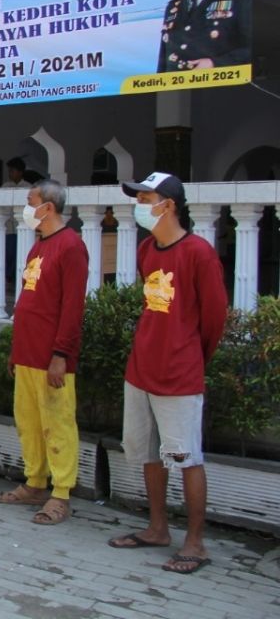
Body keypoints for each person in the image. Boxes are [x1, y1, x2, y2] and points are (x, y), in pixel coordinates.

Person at [107, 172, 227, 576]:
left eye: (145, 197)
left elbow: (213, 320)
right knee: (146, 453)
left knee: (186, 457)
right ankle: (158, 528)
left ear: (168, 205)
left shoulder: (199, 253)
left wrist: (190, 357)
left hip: (179, 375)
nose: (139, 204)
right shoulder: (147, 249)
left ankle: (196, 542)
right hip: (141, 369)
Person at [0, 179, 87, 525]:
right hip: (28, 352)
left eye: (31, 201)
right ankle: (35, 481)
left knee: (57, 424)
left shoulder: (71, 246)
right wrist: (15, 351)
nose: (27, 207)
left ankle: (61, 493)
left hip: (52, 357)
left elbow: (73, 306)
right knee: (29, 423)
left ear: (48, 207)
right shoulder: (38, 247)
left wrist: (61, 354)